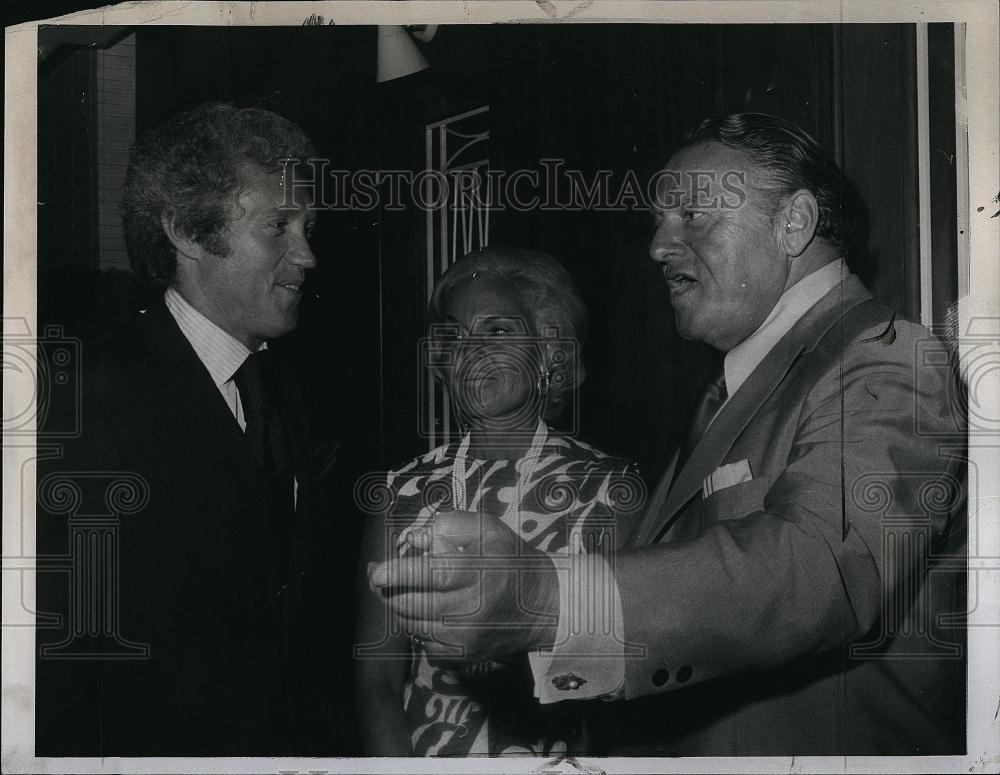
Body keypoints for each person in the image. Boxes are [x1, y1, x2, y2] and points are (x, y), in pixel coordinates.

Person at [369, 114, 967, 755]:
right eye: (659, 220)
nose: (658, 244)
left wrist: (545, 598)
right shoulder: (743, 386)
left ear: (793, 223)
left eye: (692, 215)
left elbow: (817, 567)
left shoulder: (885, 358)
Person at [35, 102, 346, 755]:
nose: (308, 255)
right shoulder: (90, 400)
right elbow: (55, 666)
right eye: (279, 226)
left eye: (309, 225)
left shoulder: (281, 388)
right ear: (185, 231)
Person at [356, 246, 641, 756]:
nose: (472, 350)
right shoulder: (400, 492)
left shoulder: (609, 488)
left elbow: (622, 678)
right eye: (454, 336)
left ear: (551, 353)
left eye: (498, 331)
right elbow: (375, 679)